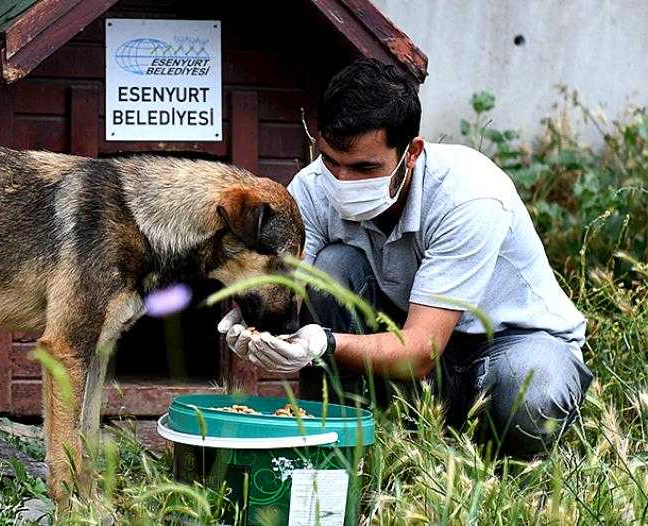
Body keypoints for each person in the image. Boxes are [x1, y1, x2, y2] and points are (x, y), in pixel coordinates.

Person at [218, 58, 593, 458]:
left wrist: (320, 345)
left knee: (528, 390)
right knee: (331, 270)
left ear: (411, 153)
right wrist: (254, 309)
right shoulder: (312, 189)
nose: (343, 182)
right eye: (330, 161)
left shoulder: (468, 195)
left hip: (509, 343)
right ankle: (348, 447)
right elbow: (287, 285)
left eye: (365, 167)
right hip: (409, 344)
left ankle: (497, 463)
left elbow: (419, 351)